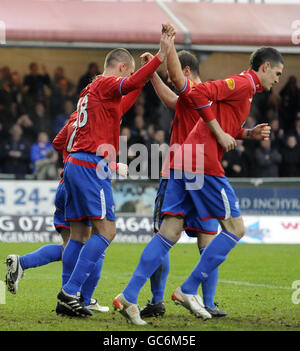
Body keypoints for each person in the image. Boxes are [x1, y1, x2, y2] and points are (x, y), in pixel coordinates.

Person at [113, 40, 283, 325]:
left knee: (169, 232)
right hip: (201, 164)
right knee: (234, 228)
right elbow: (199, 93)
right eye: (277, 74)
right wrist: (219, 132)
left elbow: (210, 110)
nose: (277, 81)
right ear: (265, 67)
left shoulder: (247, 91)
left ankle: (129, 296)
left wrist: (245, 133)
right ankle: (188, 290)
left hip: (182, 163)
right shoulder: (242, 83)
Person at [56, 26, 175, 319]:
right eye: (128, 73)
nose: (127, 78)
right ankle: (70, 292)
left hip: (74, 164)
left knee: (80, 233)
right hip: (90, 166)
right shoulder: (107, 83)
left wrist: (148, 73)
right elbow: (130, 83)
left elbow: (129, 93)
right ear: (121, 68)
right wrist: (160, 56)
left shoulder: (92, 90)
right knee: (107, 231)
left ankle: (70, 297)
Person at [135, 48, 225, 320]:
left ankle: (155, 300)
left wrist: (153, 69)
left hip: (177, 172)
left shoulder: (189, 91)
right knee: (208, 241)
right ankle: (208, 303)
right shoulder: (209, 95)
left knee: (162, 237)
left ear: (184, 71)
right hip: (205, 173)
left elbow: (171, 97)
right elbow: (172, 100)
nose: (172, 79)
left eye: (173, 74)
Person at [5, 112, 109, 314]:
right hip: (84, 182)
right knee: (97, 243)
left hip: (67, 181)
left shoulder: (75, 118)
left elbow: (57, 142)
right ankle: (81, 299)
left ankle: (22, 263)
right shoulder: (98, 119)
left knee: (71, 246)